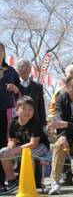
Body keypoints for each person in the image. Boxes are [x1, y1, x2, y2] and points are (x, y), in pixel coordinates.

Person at [0, 96, 49, 191]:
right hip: (22, 147)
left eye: (30, 109)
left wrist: (15, 150)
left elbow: (33, 144)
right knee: (3, 152)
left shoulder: (35, 123)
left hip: (40, 147)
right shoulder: (12, 122)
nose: (27, 112)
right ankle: (11, 180)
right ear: (17, 110)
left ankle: (29, 182)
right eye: (23, 108)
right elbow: (11, 140)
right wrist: (10, 150)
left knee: (28, 154)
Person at [0, 42, 20, 192]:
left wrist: (15, 88)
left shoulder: (12, 71)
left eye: (1, 50)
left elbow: (20, 94)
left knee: (4, 145)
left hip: (7, 114)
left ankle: (5, 181)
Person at [9, 59, 47, 126]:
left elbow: (41, 106)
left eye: (28, 66)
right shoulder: (12, 85)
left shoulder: (38, 87)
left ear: (30, 70)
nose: (25, 68)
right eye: (22, 66)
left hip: (35, 124)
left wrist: (43, 124)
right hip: (16, 124)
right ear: (17, 69)